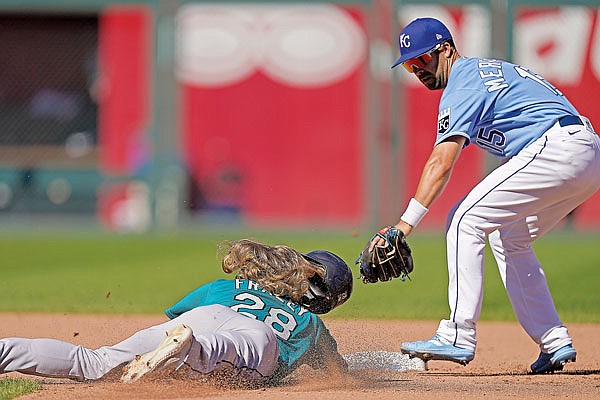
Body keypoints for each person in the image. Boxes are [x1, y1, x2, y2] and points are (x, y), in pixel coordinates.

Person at [372, 17, 600, 373]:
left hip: (558, 147)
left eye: (422, 60)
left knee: (464, 219)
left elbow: (441, 161)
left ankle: (457, 334)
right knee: (510, 235)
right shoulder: (481, 73)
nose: (417, 70)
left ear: (445, 49)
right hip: (583, 153)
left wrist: (404, 225)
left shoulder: (463, 83)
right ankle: (554, 341)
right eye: (410, 65)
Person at [0, 239, 353, 385]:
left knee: (94, 364)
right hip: (258, 341)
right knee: (221, 351)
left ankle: (6, 351)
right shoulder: (310, 323)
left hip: (198, 319)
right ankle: (191, 349)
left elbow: (176, 315)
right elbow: (336, 372)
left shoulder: (228, 287)